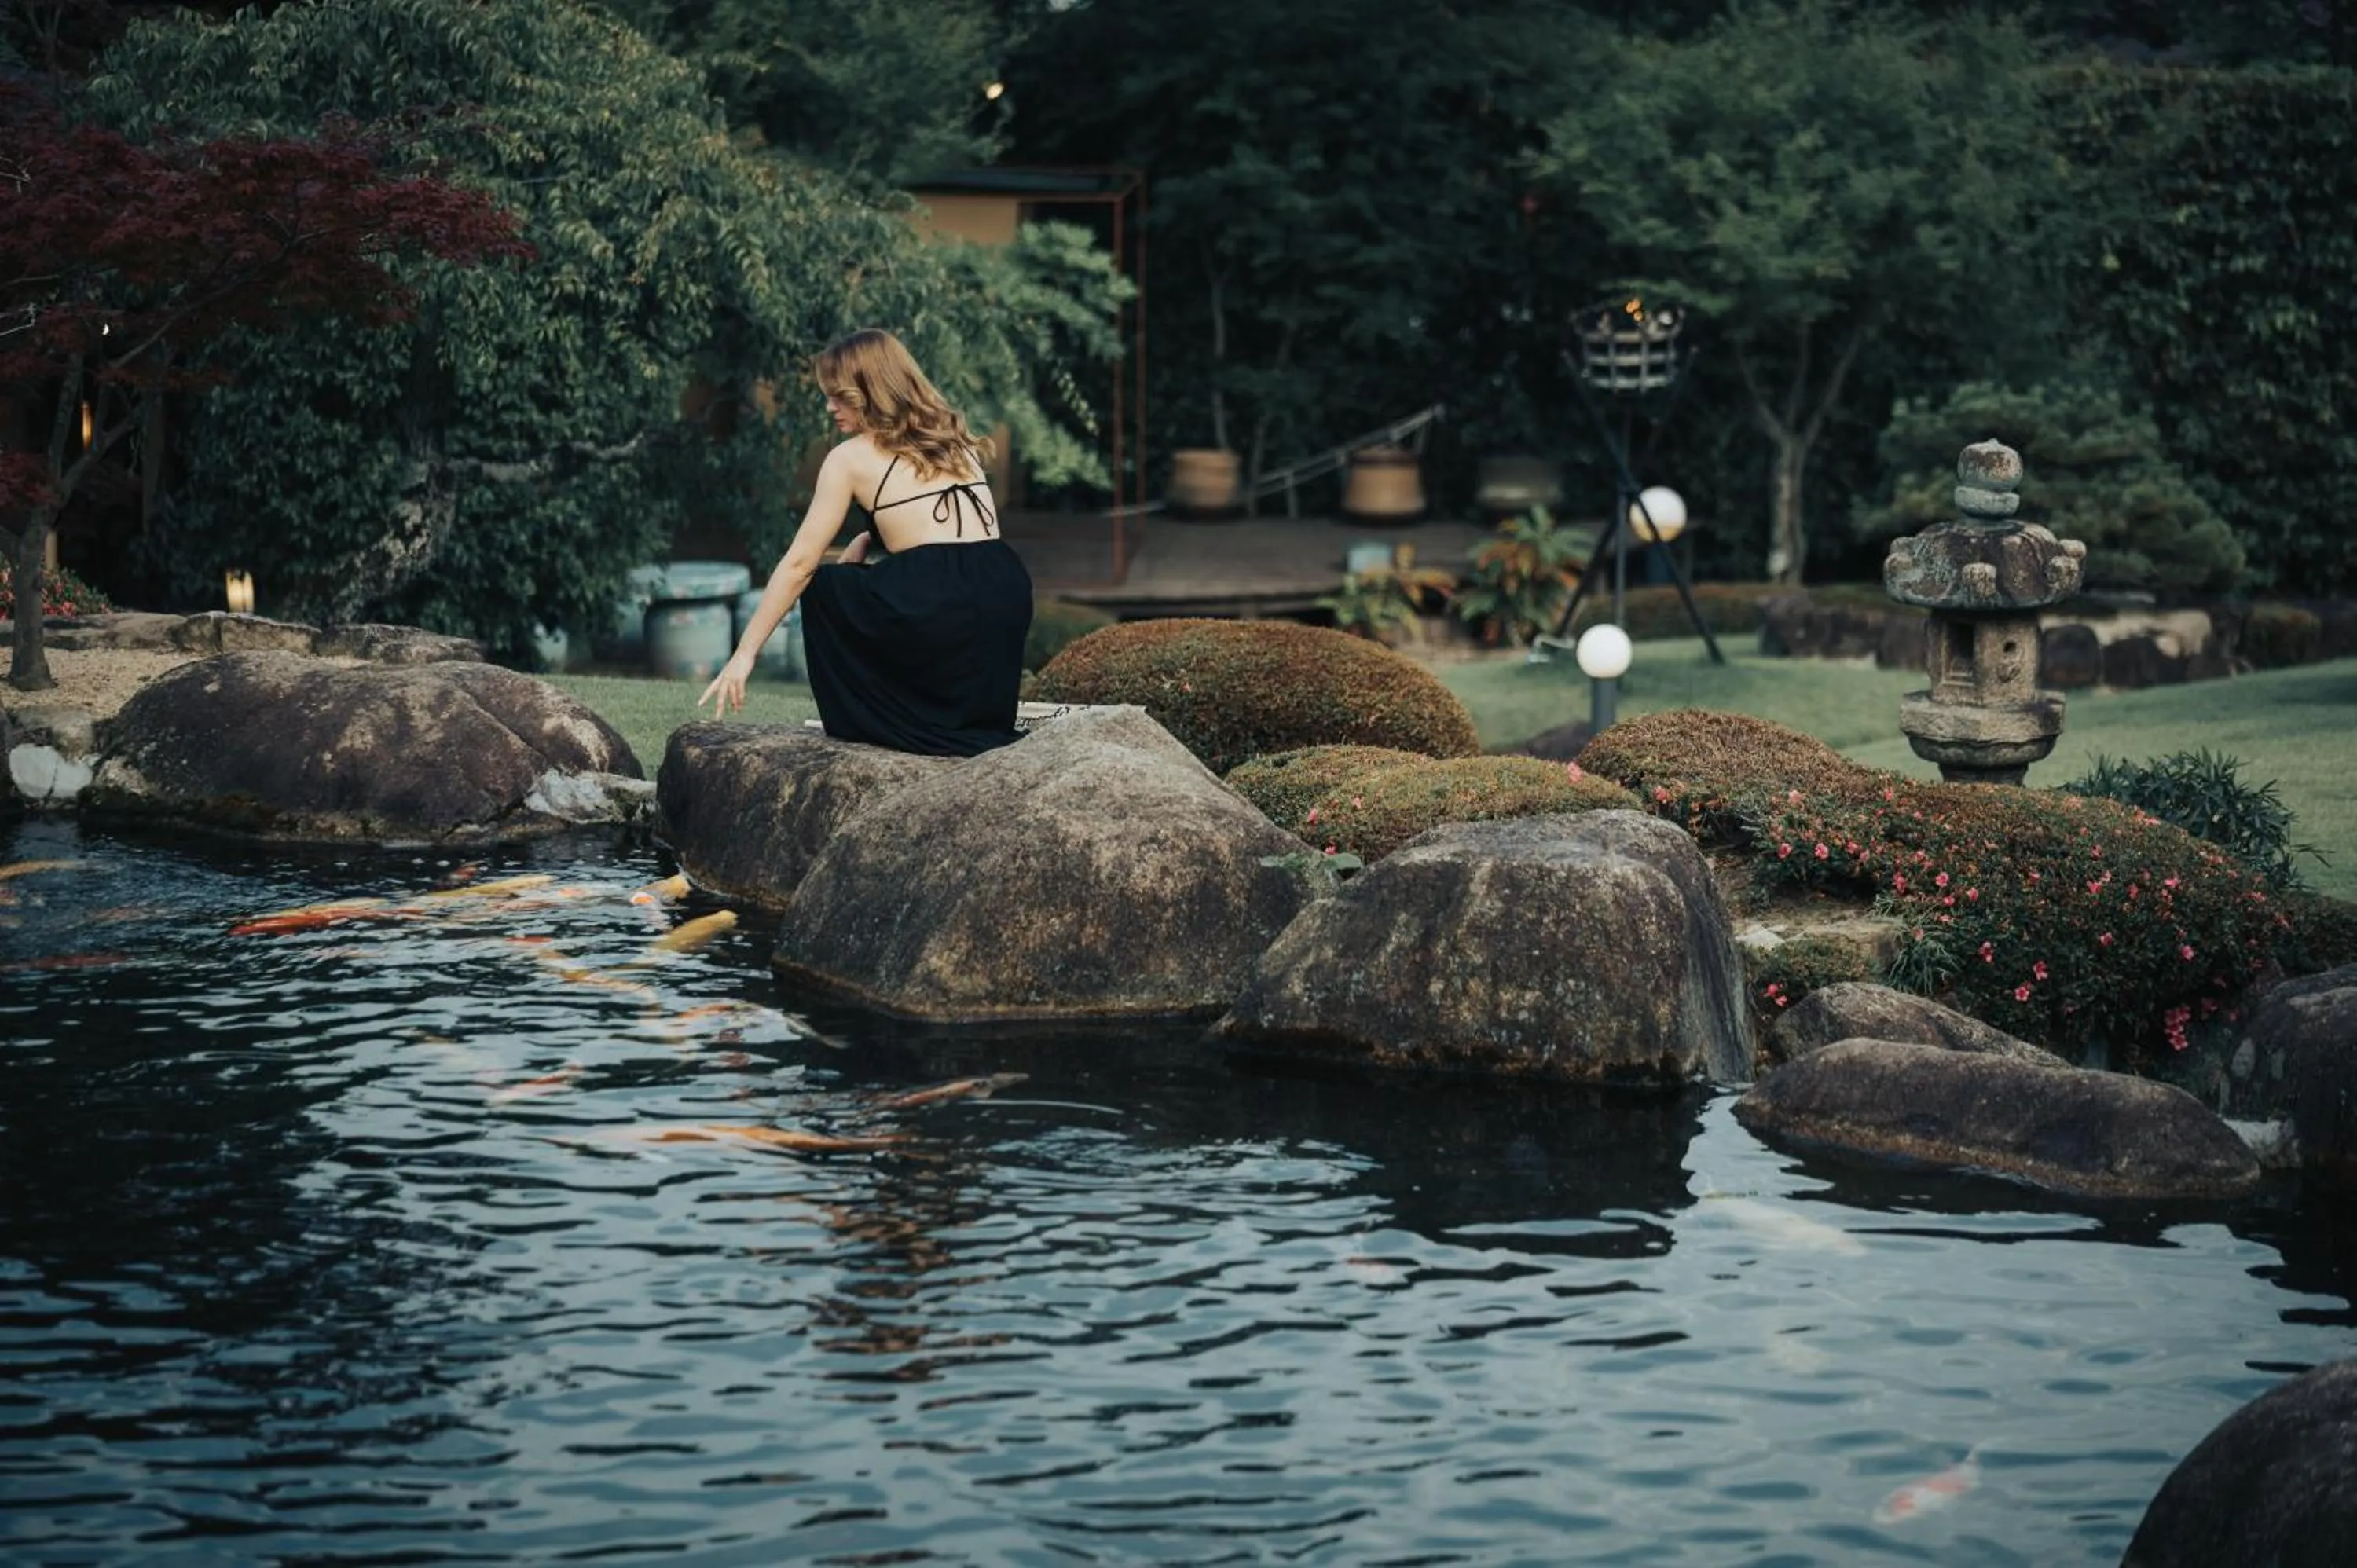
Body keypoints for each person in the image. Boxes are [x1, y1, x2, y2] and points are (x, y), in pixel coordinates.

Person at [698, 328, 1033, 756]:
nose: (829, 406)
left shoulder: (851, 457)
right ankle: (961, 717)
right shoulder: (954, 440)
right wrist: (868, 543)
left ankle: (893, 716)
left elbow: (800, 564)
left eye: (840, 396)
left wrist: (744, 655)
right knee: (872, 580)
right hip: (1003, 591)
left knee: (823, 586)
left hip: (941, 606)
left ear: (871, 390)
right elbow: (953, 549)